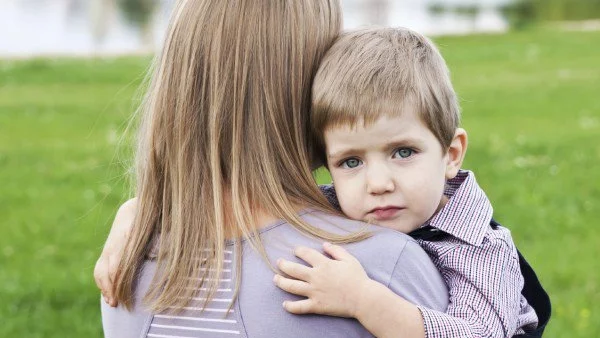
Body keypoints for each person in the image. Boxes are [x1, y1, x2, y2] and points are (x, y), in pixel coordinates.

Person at [98, 1, 449, 338]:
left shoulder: (127, 260)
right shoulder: (375, 267)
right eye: (332, 54)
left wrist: (140, 209)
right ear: (303, 83)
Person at [271, 27, 548, 338]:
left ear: (451, 154)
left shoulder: (481, 250)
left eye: (403, 152)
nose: (377, 183)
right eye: (351, 162)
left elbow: (480, 334)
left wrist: (363, 300)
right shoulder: (336, 207)